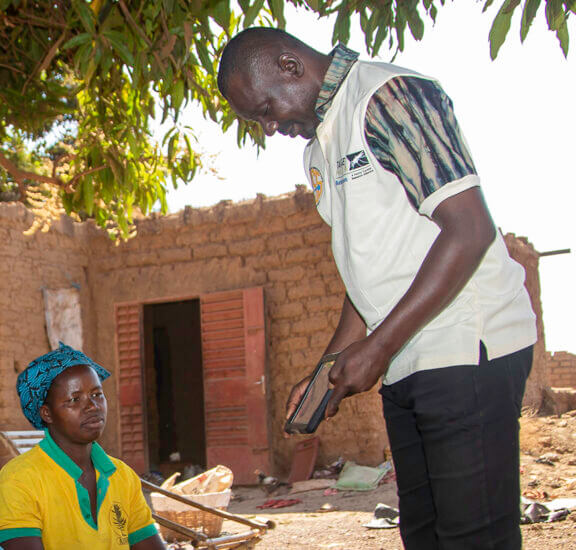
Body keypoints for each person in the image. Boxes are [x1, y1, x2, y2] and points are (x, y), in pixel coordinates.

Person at [216, 28, 537, 549]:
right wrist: (327, 373)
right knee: (426, 535)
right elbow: (368, 274)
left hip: (464, 347)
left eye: (266, 108)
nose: (270, 126)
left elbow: (470, 227)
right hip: (407, 361)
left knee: (473, 537)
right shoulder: (320, 150)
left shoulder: (387, 97)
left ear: (291, 65)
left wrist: (379, 347)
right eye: (258, 120)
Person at [0, 344, 166, 550]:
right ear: (47, 413)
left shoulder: (122, 477)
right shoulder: (19, 481)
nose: (92, 406)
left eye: (97, 394)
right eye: (75, 399)